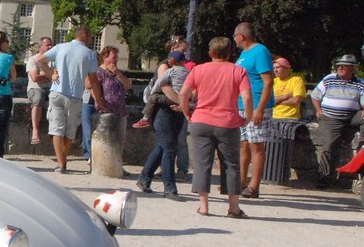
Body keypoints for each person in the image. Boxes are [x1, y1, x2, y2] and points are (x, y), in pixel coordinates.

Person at [178, 36, 253, 218]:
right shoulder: (239, 71)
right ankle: (233, 208)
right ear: (230, 53)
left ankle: (204, 206)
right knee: (231, 164)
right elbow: (247, 98)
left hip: (201, 120)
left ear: (210, 53)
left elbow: (183, 94)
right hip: (227, 122)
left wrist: (186, 112)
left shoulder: (199, 70)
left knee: (202, 164)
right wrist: (248, 117)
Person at [34, 27, 105, 174]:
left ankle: (61, 164)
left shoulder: (61, 47)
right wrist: (99, 100)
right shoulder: (90, 54)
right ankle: (62, 163)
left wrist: (50, 75)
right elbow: (93, 80)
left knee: (56, 130)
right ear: (84, 35)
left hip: (57, 92)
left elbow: (40, 61)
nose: (92, 39)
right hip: (75, 96)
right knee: (69, 133)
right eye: (91, 36)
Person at [312, 53, 364, 187]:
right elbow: (315, 95)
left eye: (344, 66)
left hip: (351, 117)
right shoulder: (329, 79)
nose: (340, 67)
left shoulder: (360, 84)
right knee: (328, 146)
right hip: (330, 118)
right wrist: (318, 109)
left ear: (352, 68)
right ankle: (324, 176)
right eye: (339, 65)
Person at [136, 49, 188, 199]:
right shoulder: (166, 69)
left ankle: (144, 179)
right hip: (163, 112)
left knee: (162, 147)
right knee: (170, 149)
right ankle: (170, 188)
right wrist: (182, 102)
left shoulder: (184, 72)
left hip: (176, 111)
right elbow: (163, 87)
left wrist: (183, 104)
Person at [233, 22, 274, 198]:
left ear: (241, 36)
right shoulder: (244, 54)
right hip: (242, 105)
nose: (234, 40)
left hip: (256, 105)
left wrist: (260, 109)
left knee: (256, 145)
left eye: (235, 36)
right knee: (243, 145)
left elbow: (268, 81)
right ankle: (240, 182)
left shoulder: (260, 51)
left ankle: (254, 185)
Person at [83, 46, 131, 163]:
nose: (116, 60)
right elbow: (91, 87)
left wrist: (117, 73)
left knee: (119, 139)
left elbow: (127, 85)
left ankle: (117, 164)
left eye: (116, 58)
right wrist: (99, 101)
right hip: (106, 111)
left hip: (120, 110)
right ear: (105, 57)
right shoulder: (98, 72)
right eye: (113, 57)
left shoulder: (117, 72)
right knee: (106, 139)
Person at [26, 36, 53, 144]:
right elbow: (35, 78)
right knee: (37, 99)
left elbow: (58, 75)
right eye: (47, 45)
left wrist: (44, 74)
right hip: (36, 88)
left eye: (51, 45)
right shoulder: (33, 60)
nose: (50, 47)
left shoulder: (53, 60)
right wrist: (50, 74)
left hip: (50, 87)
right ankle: (35, 131)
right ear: (40, 47)